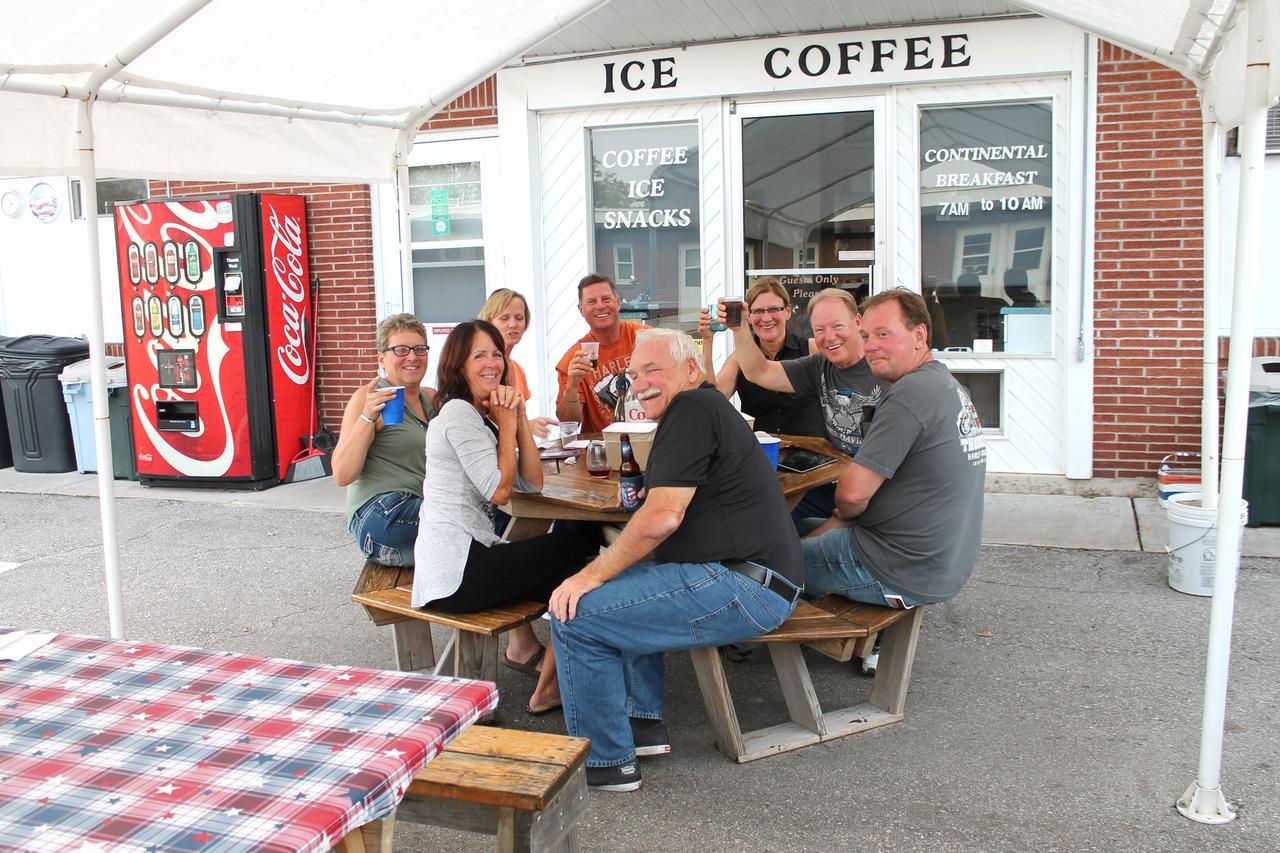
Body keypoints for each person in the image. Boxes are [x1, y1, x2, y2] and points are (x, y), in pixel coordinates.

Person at [548, 328, 803, 792]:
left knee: (575, 614)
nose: (640, 382)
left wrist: (585, 576)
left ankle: (607, 763)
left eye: (653, 370)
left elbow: (663, 518)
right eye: (633, 373)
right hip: (759, 579)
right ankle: (641, 727)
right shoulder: (702, 408)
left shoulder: (690, 408)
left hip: (744, 584)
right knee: (627, 581)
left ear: (691, 370)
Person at [413, 320, 601, 713]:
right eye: (478, 355)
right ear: (458, 365)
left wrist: (518, 416)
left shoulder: (481, 415)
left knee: (575, 580)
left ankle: (549, 687)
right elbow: (499, 490)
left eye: (496, 353)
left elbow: (532, 483)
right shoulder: (459, 415)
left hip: (470, 562)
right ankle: (557, 679)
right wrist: (507, 424)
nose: (491, 363)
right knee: (579, 543)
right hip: (458, 573)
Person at [802, 288, 986, 615]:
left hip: (896, 566)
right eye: (866, 335)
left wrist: (841, 518)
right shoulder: (949, 386)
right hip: (942, 561)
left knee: (768, 559)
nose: (870, 345)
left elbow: (852, 496)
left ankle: (755, 638)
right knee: (796, 529)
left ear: (919, 335)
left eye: (883, 334)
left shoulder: (909, 393)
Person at [728, 287, 884, 520]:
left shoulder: (884, 368)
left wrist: (841, 518)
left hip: (876, 496)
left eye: (837, 326)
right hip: (831, 484)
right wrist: (740, 328)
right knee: (762, 516)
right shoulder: (819, 365)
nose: (829, 337)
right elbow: (758, 371)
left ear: (858, 321)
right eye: (820, 329)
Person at [334, 313, 435, 567]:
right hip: (381, 513)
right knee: (469, 520)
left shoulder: (430, 399)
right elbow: (342, 474)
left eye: (419, 349)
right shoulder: (368, 397)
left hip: (420, 507)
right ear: (382, 358)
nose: (412, 357)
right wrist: (368, 419)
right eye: (400, 350)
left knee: (484, 522)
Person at [697, 276, 824, 437]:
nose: (766, 318)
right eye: (758, 311)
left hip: (811, 455)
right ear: (748, 316)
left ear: (788, 311)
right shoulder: (739, 359)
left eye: (773, 309)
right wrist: (707, 340)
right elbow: (711, 401)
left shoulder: (812, 349)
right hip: (759, 454)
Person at [555, 273, 647, 433]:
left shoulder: (647, 338)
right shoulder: (573, 359)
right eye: (591, 301)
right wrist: (572, 386)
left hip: (650, 436)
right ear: (581, 310)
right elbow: (568, 422)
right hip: (604, 447)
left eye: (606, 299)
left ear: (618, 303)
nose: (600, 306)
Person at [478, 288, 557, 439]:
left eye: (519, 318)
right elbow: (482, 425)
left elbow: (514, 419)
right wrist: (527, 426)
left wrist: (530, 424)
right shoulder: (482, 369)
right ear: (488, 321)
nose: (513, 324)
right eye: (504, 318)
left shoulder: (517, 369)